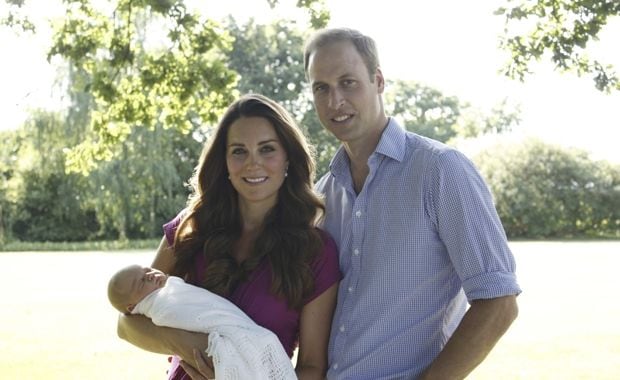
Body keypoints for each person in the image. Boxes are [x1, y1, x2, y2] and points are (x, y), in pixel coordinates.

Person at [303, 27, 522, 379]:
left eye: (348, 82)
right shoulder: (323, 196)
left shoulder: (440, 170)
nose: (335, 101)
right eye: (321, 88)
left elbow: (498, 302)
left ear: (378, 81)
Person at [116, 94, 341, 380]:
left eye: (267, 149)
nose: (253, 164)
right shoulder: (191, 227)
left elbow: (312, 367)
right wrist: (193, 347)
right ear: (224, 162)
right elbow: (127, 324)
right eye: (239, 151)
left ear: (288, 158)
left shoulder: (316, 252)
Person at [107, 264, 297, 379]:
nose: (149, 275)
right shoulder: (160, 306)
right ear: (133, 306)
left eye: (147, 270)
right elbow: (124, 326)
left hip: (250, 336)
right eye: (141, 282)